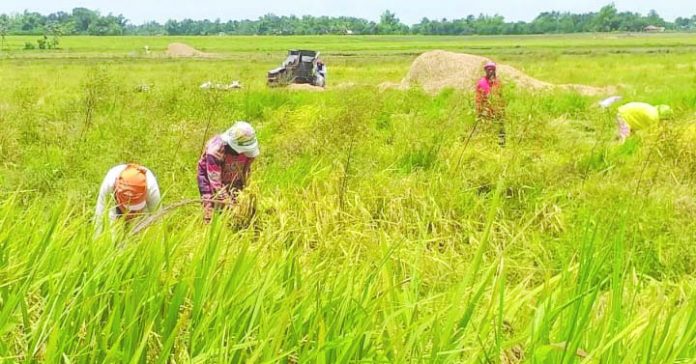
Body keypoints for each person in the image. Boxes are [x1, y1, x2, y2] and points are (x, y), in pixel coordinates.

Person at [197, 121, 259, 223]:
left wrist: (245, 192)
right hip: (210, 180)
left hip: (233, 174)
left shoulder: (248, 149)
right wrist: (229, 204)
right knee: (211, 209)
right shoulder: (215, 151)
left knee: (238, 205)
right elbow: (215, 184)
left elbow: (246, 170)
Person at [95, 164, 161, 231]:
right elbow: (99, 218)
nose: (132, 214)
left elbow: (158, 221)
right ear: (118, 199)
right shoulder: (109, 184)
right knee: (113, 231)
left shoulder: (151, 188)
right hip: (116, 205)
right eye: (128, 209)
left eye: (135, 210)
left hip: (143, 210)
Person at [475, 61, 506, 147]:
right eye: (489, 69)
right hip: (486, 111)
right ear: (486, 71)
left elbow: (501, 96)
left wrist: (502, 109)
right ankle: (488, 146)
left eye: (492, 69)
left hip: (498, 110)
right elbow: (478, 98)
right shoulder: (481, 83)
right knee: (487, 130)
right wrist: (480, 111)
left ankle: (501, 146)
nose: (491, 71)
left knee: (501, 130)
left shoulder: (498, 82)